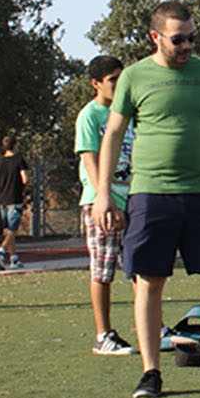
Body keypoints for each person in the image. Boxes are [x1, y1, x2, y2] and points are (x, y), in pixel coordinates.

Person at [93, 1, 200, 398]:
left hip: (199, 190)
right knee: (149, 281)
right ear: (156, 37)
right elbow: (112, 135)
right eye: (178, 39)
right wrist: (102, 194)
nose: (187, 46)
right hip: (150, 193)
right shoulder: (133, 76)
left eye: (192, 38)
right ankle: (151, 372)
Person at [75, 54, 137, 356]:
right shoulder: (90, 115)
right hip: (103, 203)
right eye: (113, 80)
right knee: (103, 269)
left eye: (120, 78)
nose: (118, 85)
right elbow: (89, 160)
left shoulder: (127, 114)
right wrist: (104, 197)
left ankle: (152, 327)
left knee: (140, 267)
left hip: (132, 200)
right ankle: (104, 334)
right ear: (96, 84)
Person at [0, 135, 29, 269]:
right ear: (15, 146)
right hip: (14, 198)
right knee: (13, 229)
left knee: (8, 230)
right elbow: (25, 179)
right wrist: (24, 190)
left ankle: (14, 259)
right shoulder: (19, 160)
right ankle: (1, 252)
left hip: (1, 199)